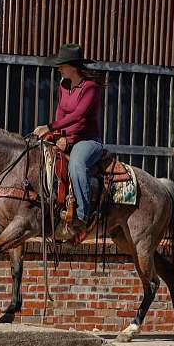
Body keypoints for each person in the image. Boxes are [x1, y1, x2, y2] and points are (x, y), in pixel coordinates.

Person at [33, 44, 104, 236]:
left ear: (72, 66)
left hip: (88, 141)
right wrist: (57, 136)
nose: (59, 68)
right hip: (67, 137)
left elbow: (79, 116)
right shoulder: (64, 86)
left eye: (62, 65)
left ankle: (82, 215)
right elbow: (61, 113)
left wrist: (52, 129)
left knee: (76, 165)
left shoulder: (90, 88)